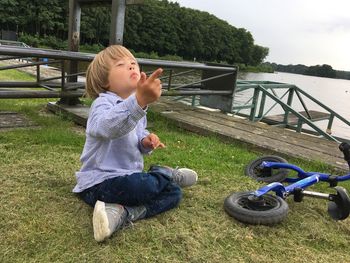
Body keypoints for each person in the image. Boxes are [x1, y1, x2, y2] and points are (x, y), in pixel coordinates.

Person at [73, 45, 198, 242]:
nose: (131, 67)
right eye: (121, 65)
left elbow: (137, 136)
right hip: (99, 183)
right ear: (104, 81)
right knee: (144, 186)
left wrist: (146, 141)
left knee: (174, 194)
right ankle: (166, 174)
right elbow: (108, 127)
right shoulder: (102, 104)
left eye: (133, 63)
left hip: (129, 179)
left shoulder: (136, 105)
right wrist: (139, 101)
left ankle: (126, 213)